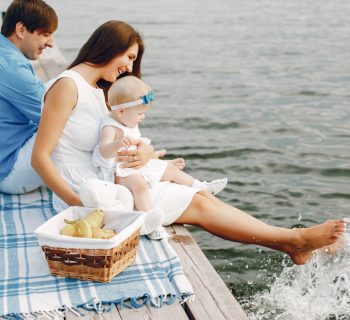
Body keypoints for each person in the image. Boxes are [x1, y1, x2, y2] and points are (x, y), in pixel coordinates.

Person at [31, 20, 346, 266]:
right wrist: (77, 205)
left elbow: (109, 139)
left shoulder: (95, 89)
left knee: (198, 196)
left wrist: (145, 153)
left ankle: (290, 242)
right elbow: (41, 157)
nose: (129, 67)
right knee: (197, 202)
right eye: (129, 57)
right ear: (109, 46)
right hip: (89, 195)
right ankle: (292, 241)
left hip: (105, 182)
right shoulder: (67, 86)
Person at [92, 75, 228, 213]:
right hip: (119, 173)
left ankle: (200, 186)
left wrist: (153, 157)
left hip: (133, 165)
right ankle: (147, 215)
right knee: (140, 186)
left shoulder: (127, 118)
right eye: (140, 113)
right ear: (121, 111)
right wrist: (116, 144)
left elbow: (135, 150)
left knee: (170, 170)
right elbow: (104, 151)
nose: (143, 117)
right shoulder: (110, 127)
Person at [0, 0, 57, 194]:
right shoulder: (11, 67)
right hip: (9, 170)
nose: (50, 43)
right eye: (45, 34)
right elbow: (52, 118)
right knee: (67, 125)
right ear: (21, 30)